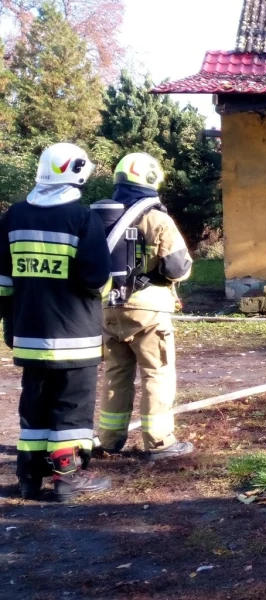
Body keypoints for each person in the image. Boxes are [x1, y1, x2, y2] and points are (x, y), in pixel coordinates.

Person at [2, 143, 113, 500]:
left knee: (34, 404)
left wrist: (11, 325)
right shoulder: (83, 219)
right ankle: (66, 478)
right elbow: (96, 279)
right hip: (75, 337)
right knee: (71, 405)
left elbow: (3, 282)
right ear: (78, 172)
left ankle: (29, 477)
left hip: (28, 334)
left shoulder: (13, 217)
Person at [91, 153, 194, 457]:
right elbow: (177, 267)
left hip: (107, 308)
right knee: (156, 373)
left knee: (115, 375)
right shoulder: (155, 217)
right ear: (151, 178)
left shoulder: (99, 216)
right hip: (148, 309)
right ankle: (160, 442)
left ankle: (109, 440)